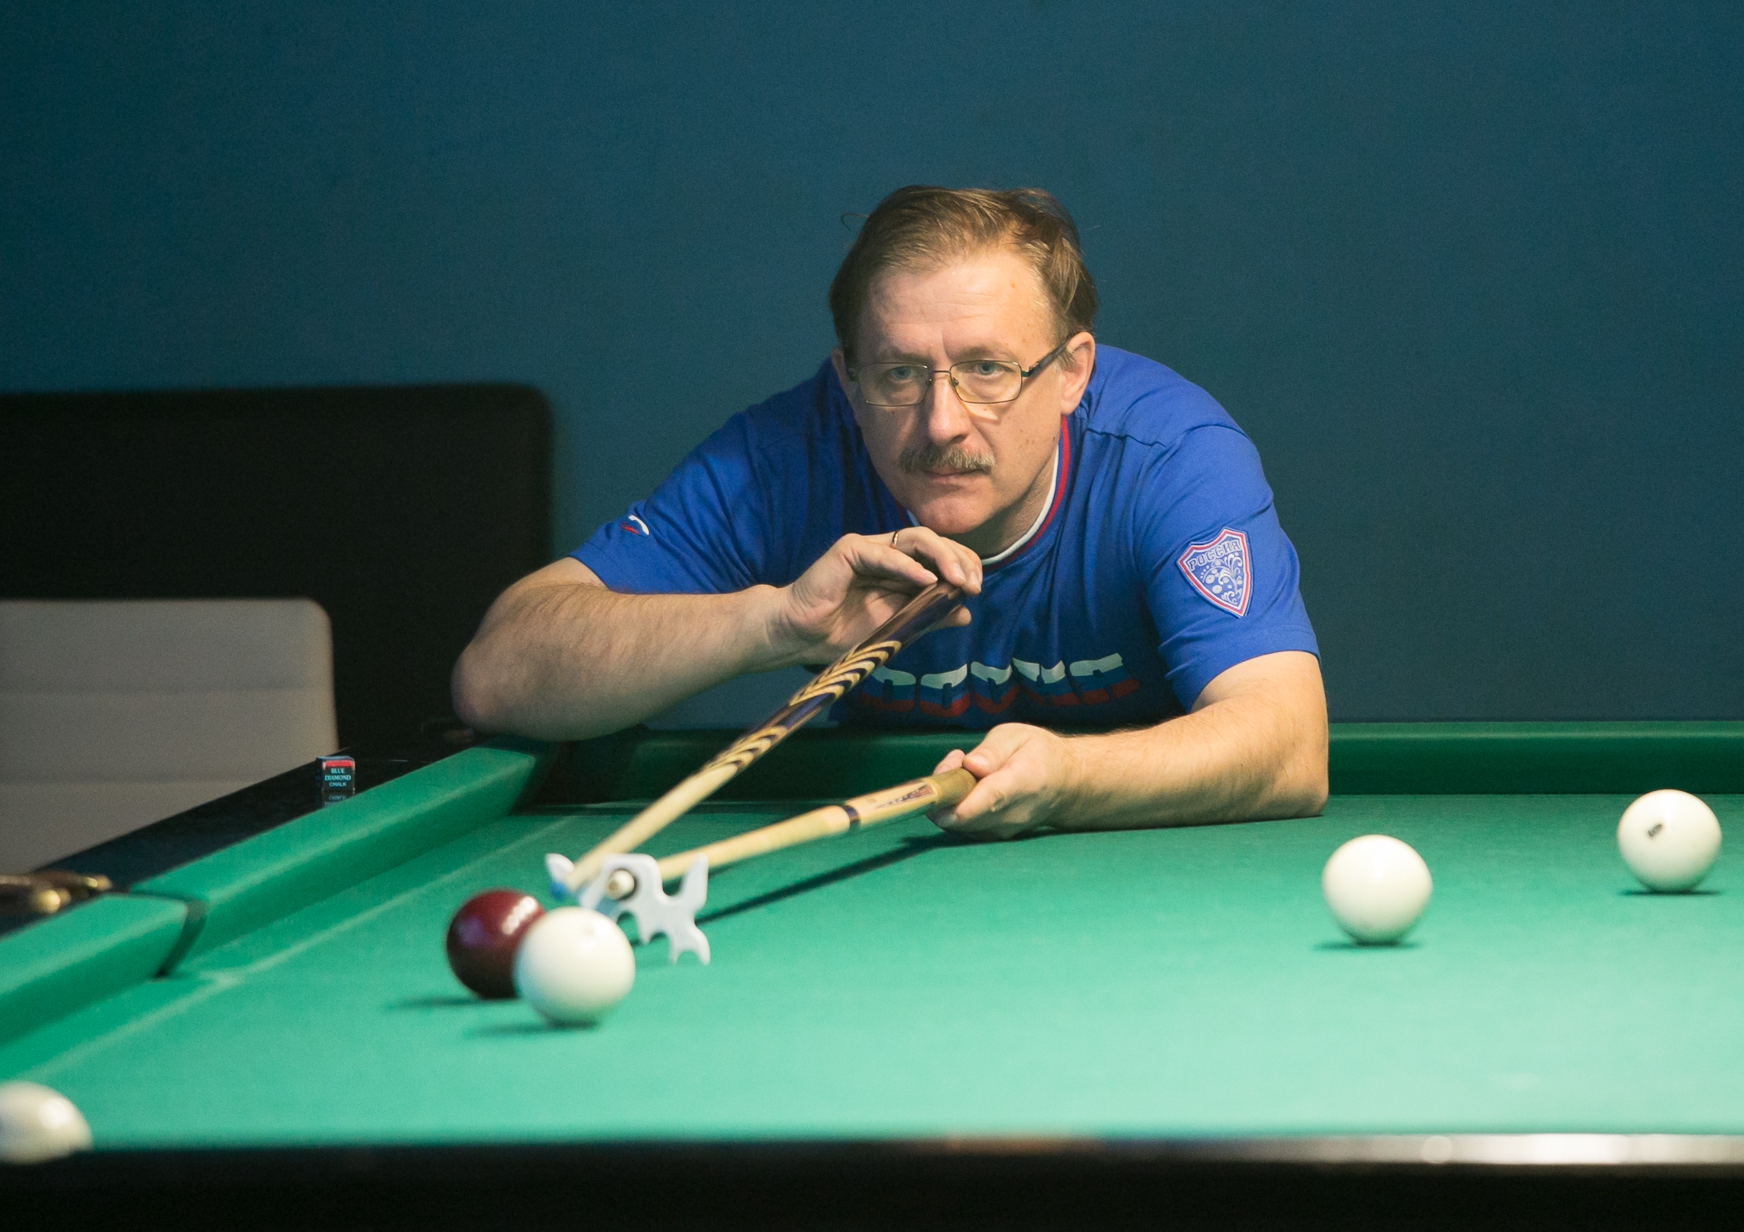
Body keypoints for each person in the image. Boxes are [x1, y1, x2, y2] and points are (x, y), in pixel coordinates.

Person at [453, 186, 1327, 835]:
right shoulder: (782, 460)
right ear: (848, 379)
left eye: (988, 369)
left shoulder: (1170, 459)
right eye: (900, 374)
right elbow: (496, 675)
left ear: (1071, 373)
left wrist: (1070, 774)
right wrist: (771, 624)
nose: (941, 423)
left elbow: (1288, 743)